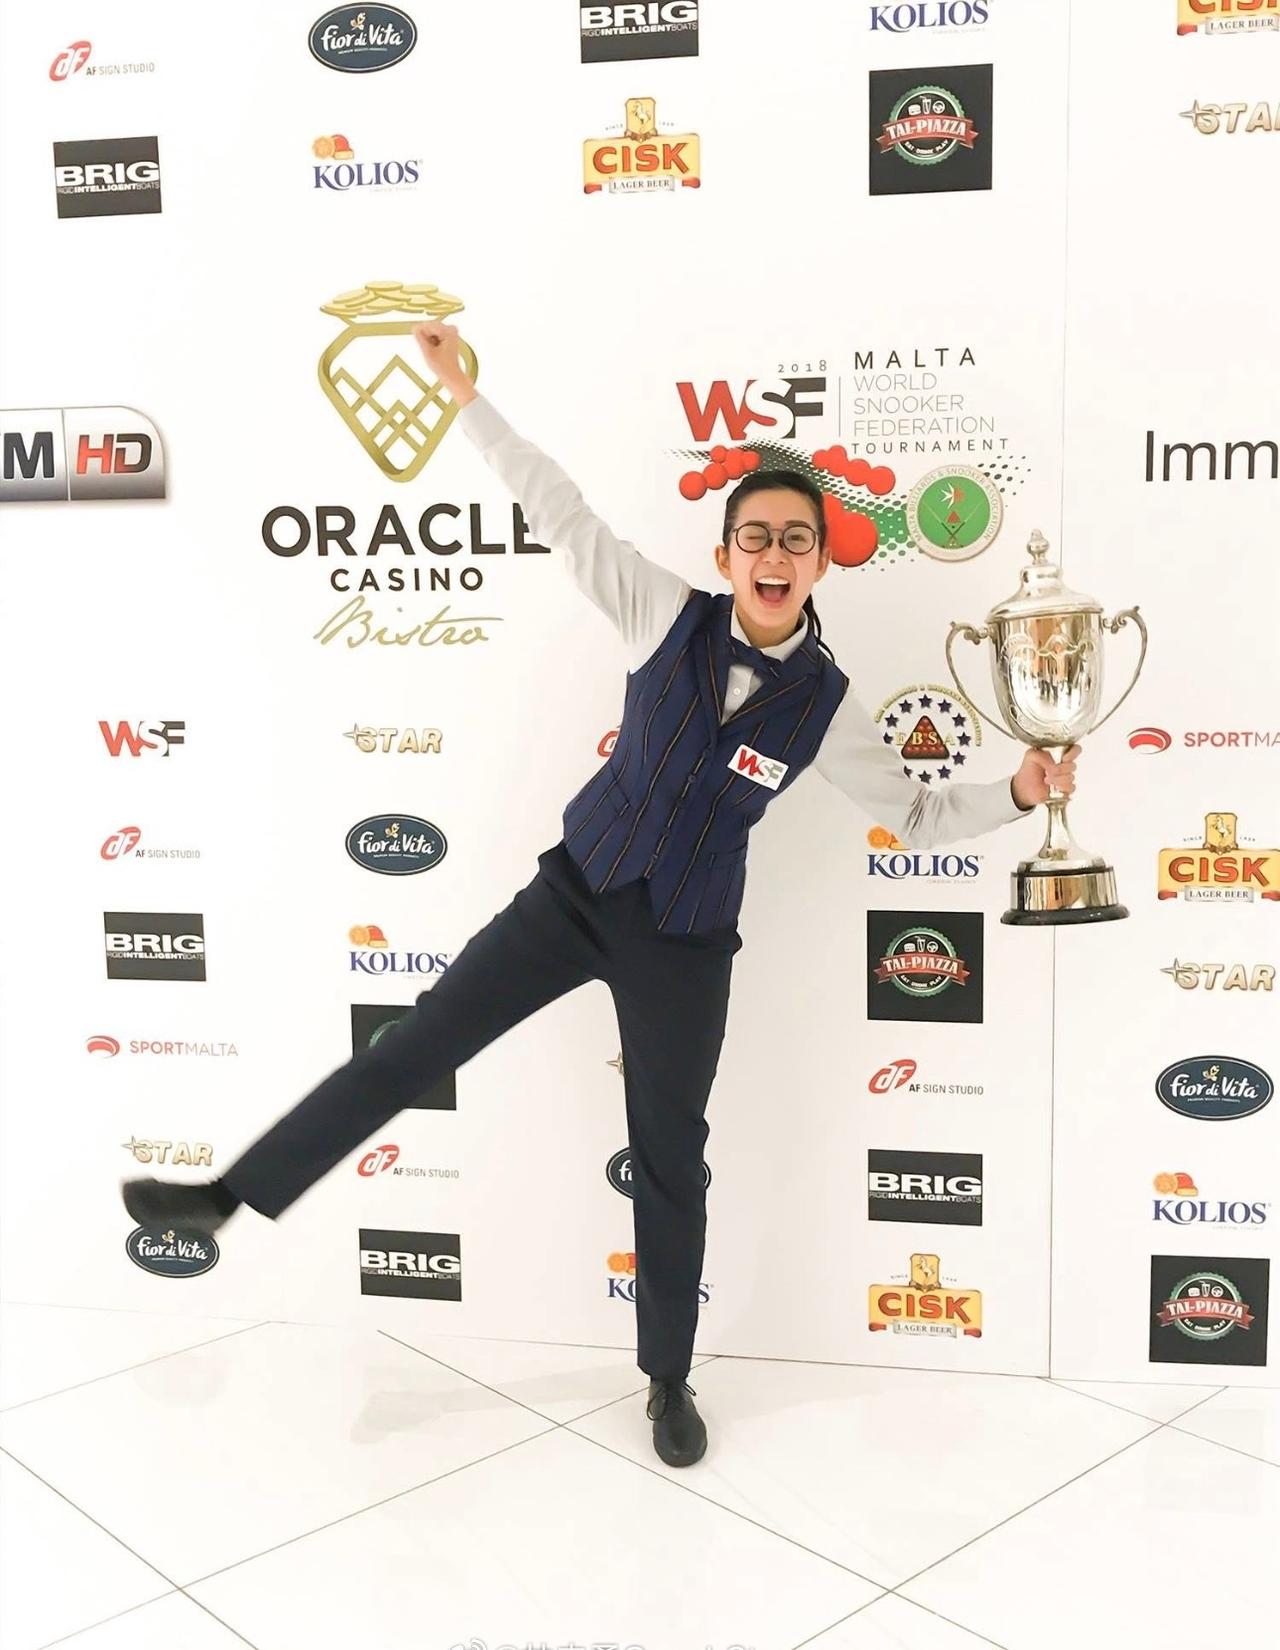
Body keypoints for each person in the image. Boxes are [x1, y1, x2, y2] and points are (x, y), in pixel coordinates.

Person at [123, 321, 1079, 1469]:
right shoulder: (659, 611)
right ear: (725, 552)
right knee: (410, 1049)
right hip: (575, 895)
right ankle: (227, 1196)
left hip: (685, 940)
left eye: (796, 538)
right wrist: (460, 394)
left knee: (670, 1158)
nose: (773, 554)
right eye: (754, 536)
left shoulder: (824, 705)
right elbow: (555, 505)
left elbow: (914, 815)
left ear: (820, 563)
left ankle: (666, 1379)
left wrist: (1017, 793)